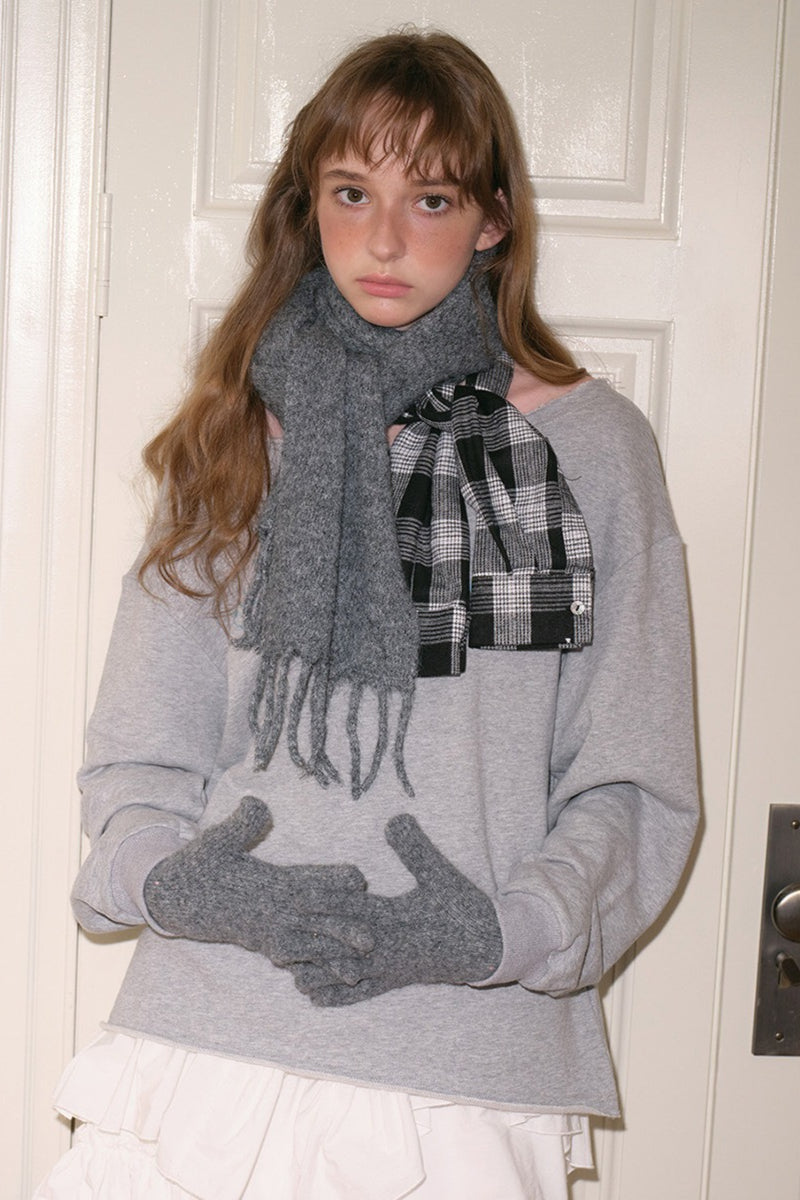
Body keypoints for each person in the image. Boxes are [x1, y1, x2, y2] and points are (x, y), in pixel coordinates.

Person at [35, 28, 699, 1200]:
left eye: (429, 198)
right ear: (310, 205)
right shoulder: (236, 434)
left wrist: (496, 934)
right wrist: (179, 883)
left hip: (462, 1076)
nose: (384, 240)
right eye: (352, 192)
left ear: (490, 219)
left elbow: (632, 782)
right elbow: (138, 758)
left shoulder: (585, 448)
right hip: (202, 1055)